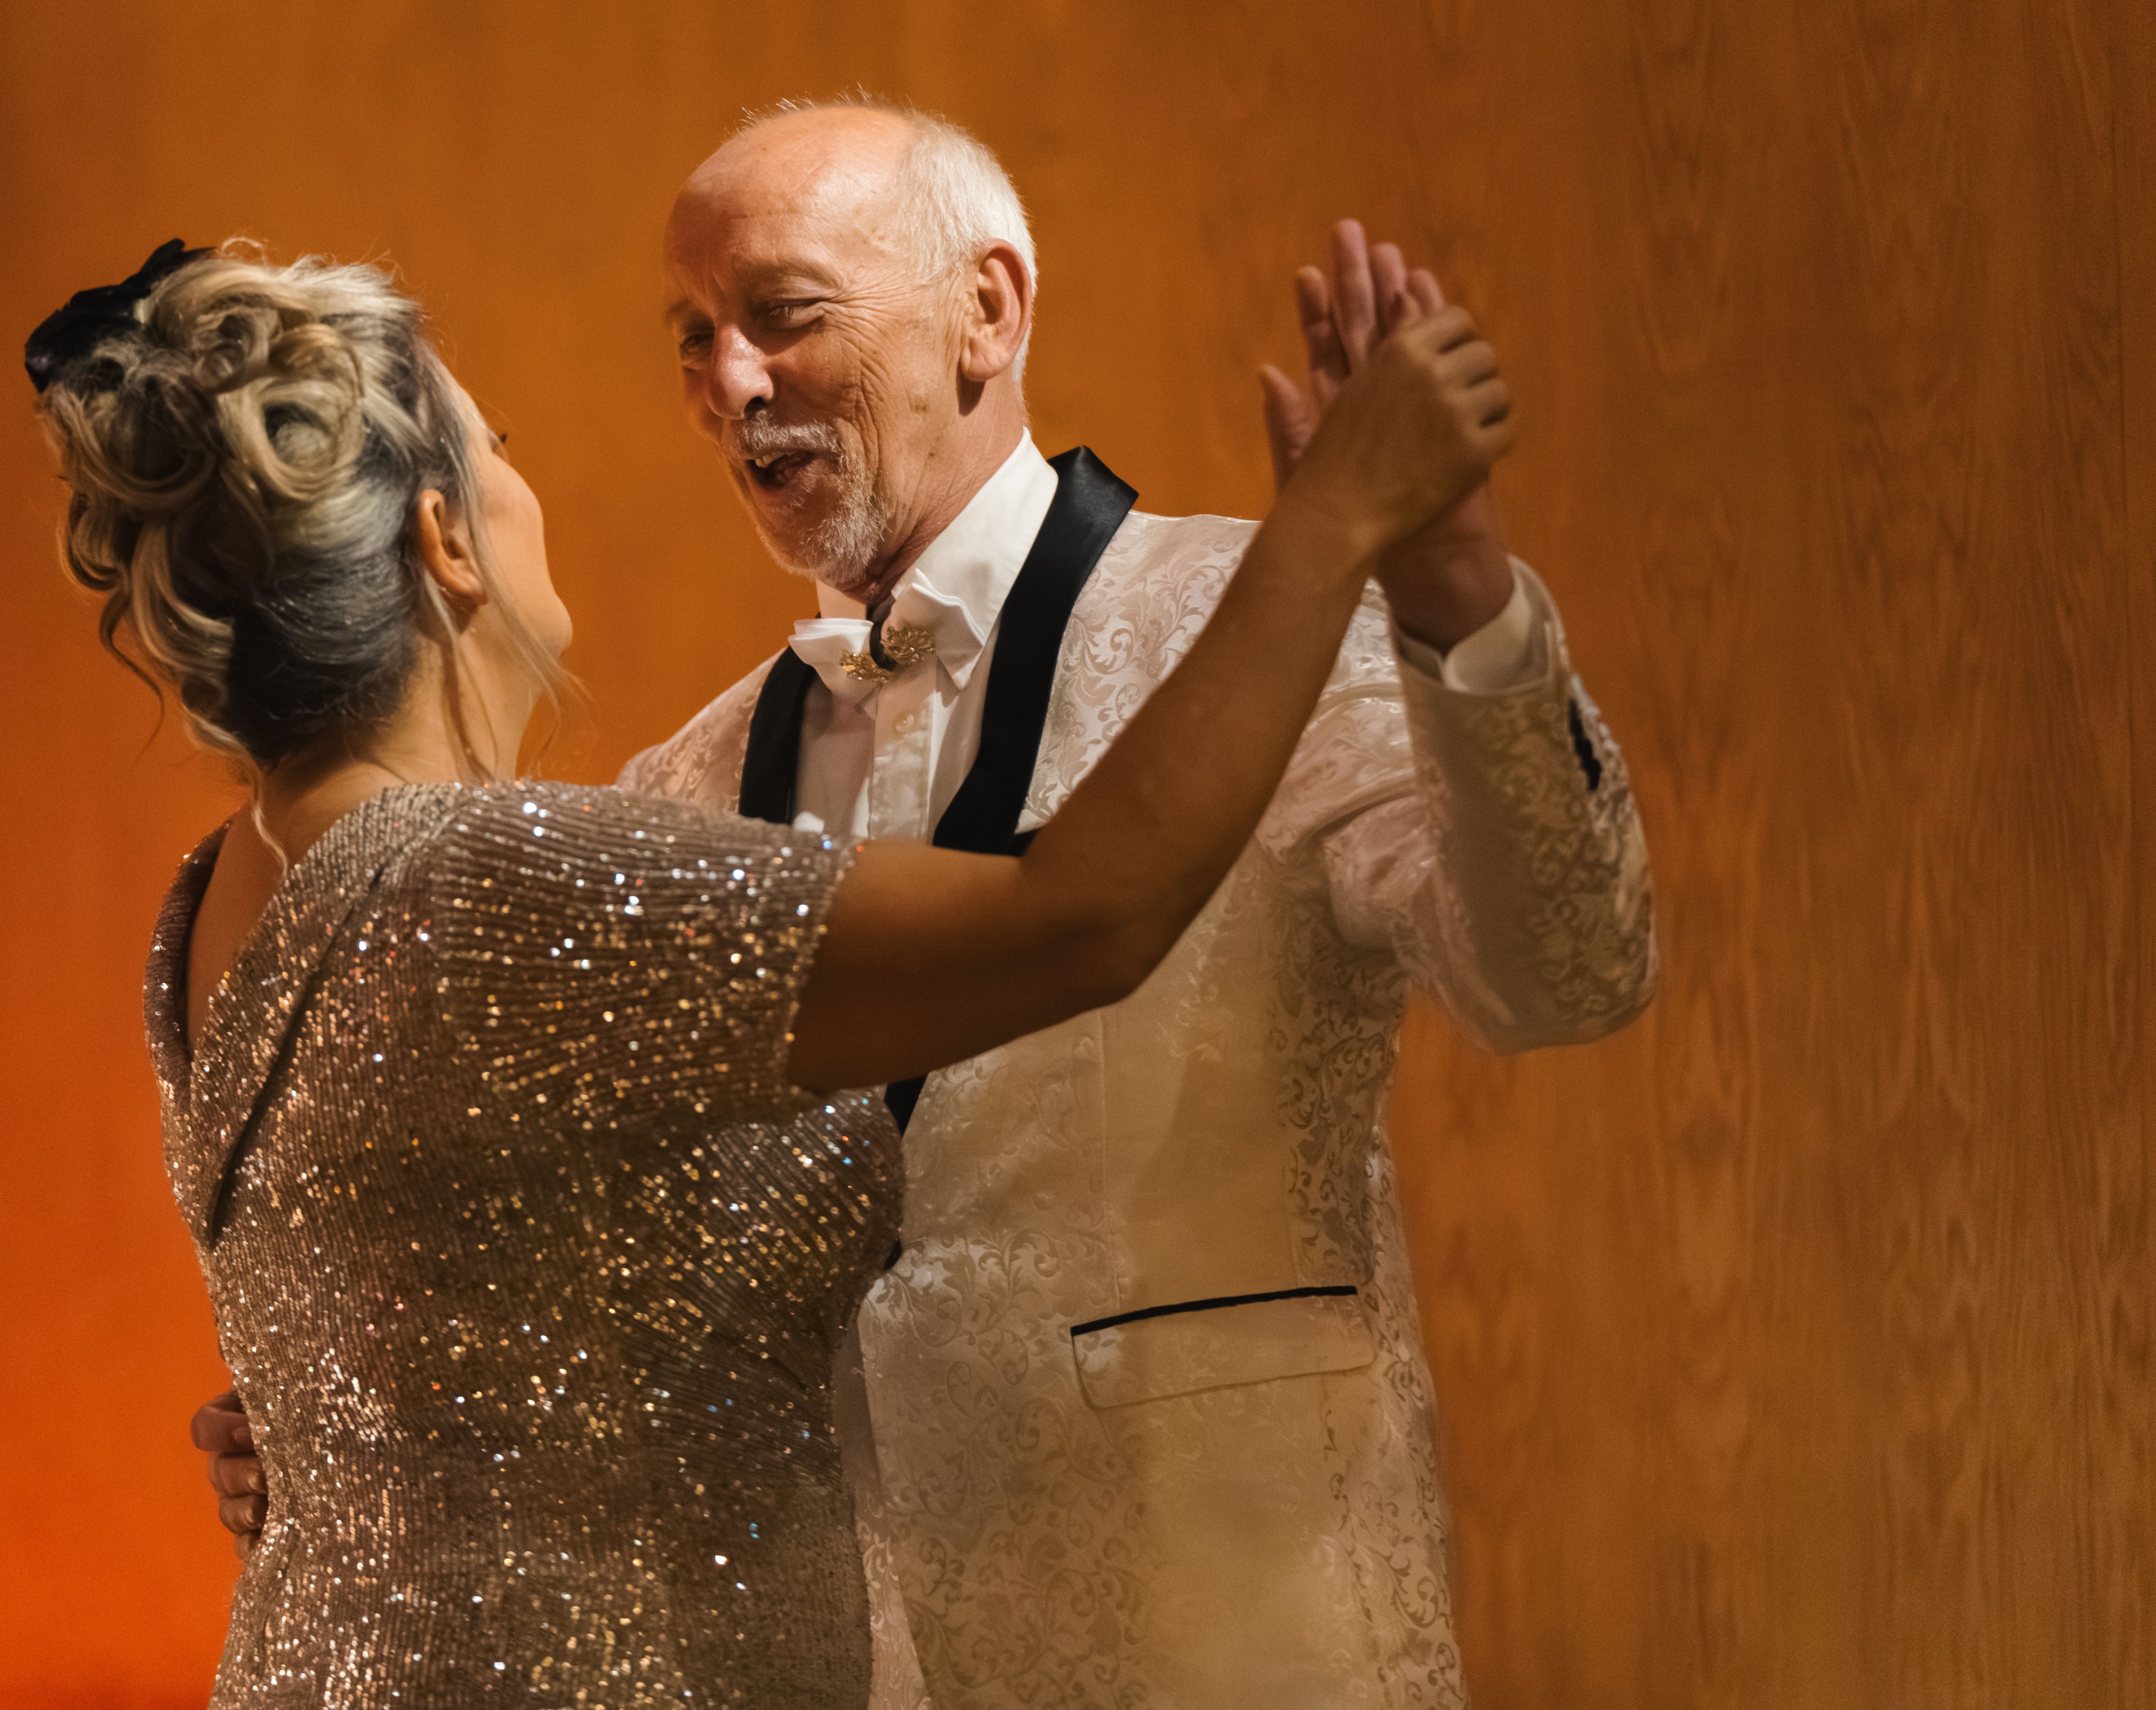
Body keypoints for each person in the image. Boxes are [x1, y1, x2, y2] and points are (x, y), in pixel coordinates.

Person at [197, 104, 1659, 1708]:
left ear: (991, 308)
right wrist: (369, 1407)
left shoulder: (1252, 637)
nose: (730, 385)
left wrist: (1457, 610)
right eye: (694, 337)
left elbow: (1568, 974)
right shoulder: (676, 790)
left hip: (1241, 1653)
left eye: (783, 314)